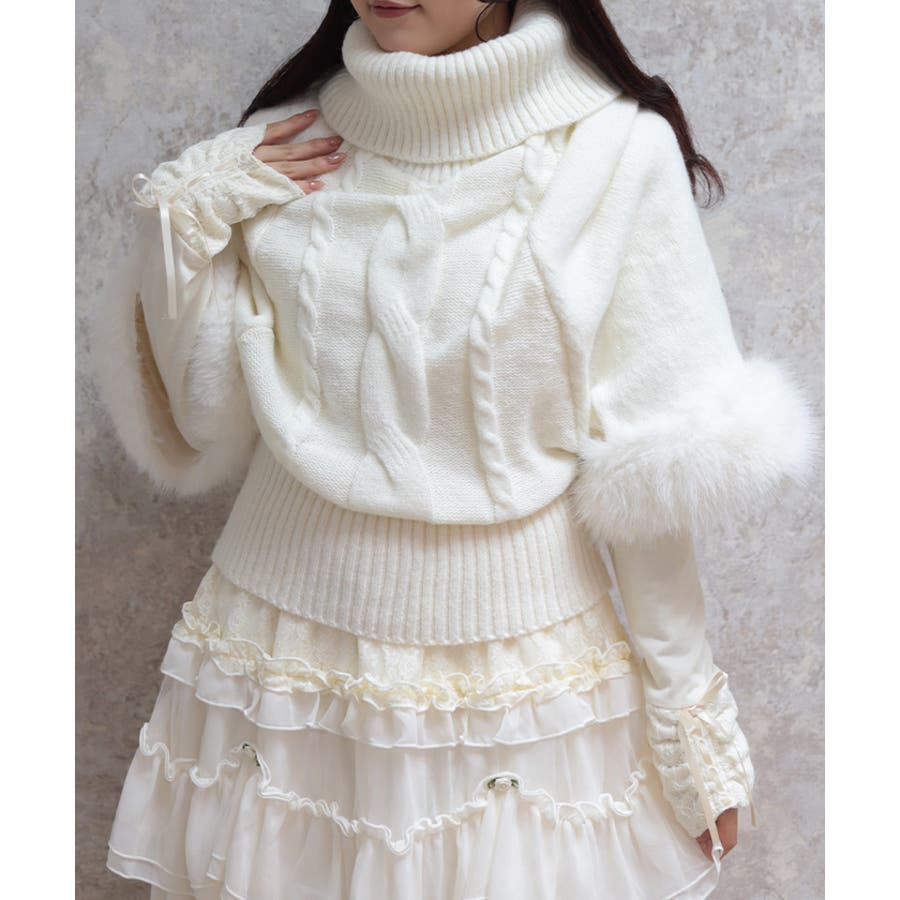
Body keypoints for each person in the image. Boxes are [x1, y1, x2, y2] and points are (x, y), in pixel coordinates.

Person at [90, 0, 816, 896]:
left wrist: (687, 718)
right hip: (279, 672)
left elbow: (649, 475)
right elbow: (203, 418)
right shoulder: (288, 142)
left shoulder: (612, 152)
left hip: (510, 689)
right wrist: (181, 225)